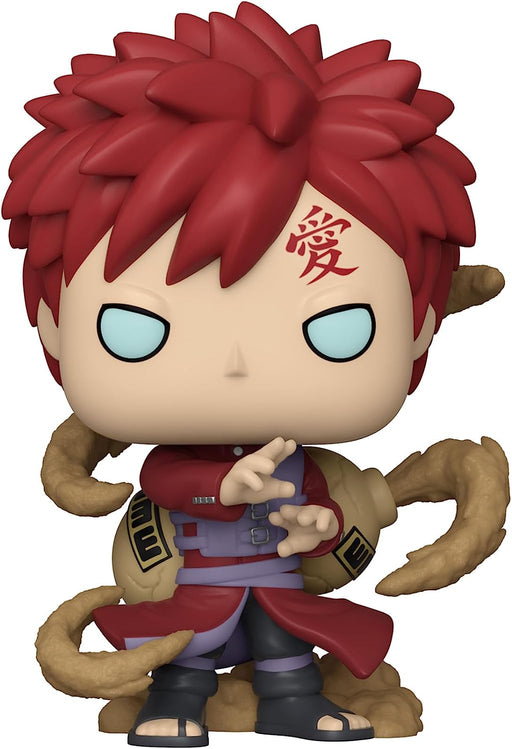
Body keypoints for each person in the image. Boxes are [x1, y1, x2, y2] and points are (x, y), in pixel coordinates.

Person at [2, 3, 487, 746]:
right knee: (188, 653)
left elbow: (322, 512)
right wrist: (222, 488)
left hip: (276, 587)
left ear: (419, 325)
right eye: (137, 329)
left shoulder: (296, 458)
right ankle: (175, 703)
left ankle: (292, 701)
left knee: (285, 645)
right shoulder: (182, 456)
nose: (235, 364)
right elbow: (165, 480)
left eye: (336, 329)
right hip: (197, 589)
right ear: (51, 325)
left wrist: (319, 526)